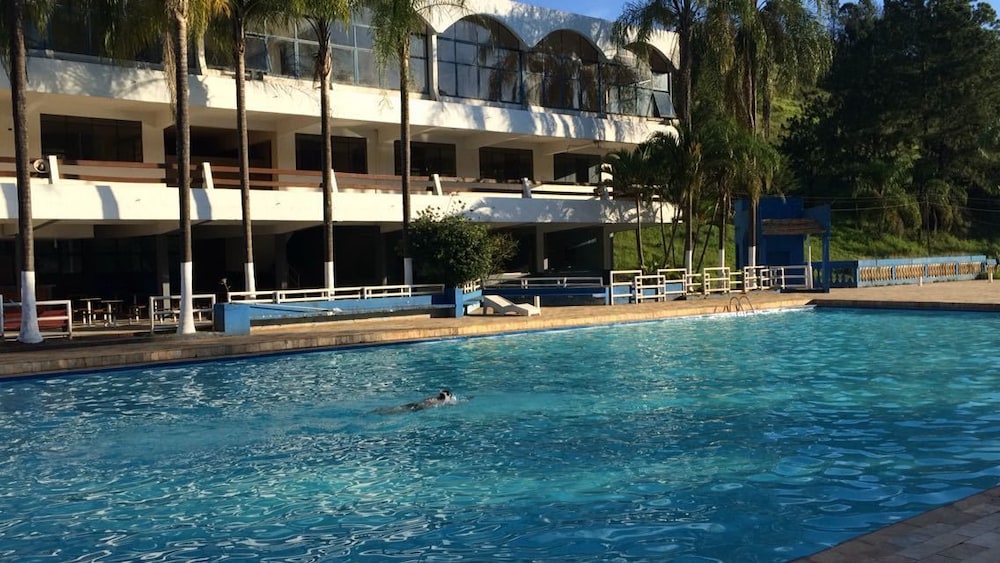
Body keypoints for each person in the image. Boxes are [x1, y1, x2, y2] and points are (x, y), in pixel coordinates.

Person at [376, 389, 458, 414]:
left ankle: (381, 411)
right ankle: (382, 411)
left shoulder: (435, 399)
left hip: (417, 405)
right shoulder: (444, 401)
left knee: (399, 409)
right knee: (398, 410)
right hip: (419, 407)